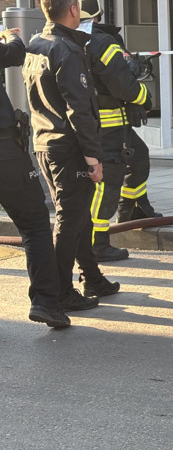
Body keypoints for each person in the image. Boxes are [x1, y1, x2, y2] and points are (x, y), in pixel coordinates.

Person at [24, 0, 120, 310]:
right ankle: (60, 292)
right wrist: (93, 157)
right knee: (70, 218)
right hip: (68, 149)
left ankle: (92, 277)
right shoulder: (66, 50)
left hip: (44, 144)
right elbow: (78, 108)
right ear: (74, 10)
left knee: (78, 217)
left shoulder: (37, 44)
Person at [67, 0, 157, 262]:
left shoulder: (65, 38)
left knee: (139, 157)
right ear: (95, 5)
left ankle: (134, 207)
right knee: (108, 180)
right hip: (107, 126)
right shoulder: (100, 42)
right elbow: (125, 86)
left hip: (88, 124)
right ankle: (97, 241)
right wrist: (145, 98)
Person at [0, 28, 70, 328]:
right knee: (35, 224)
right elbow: (15, 52)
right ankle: (46, 302)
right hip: (5, 154)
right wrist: (8, 37)